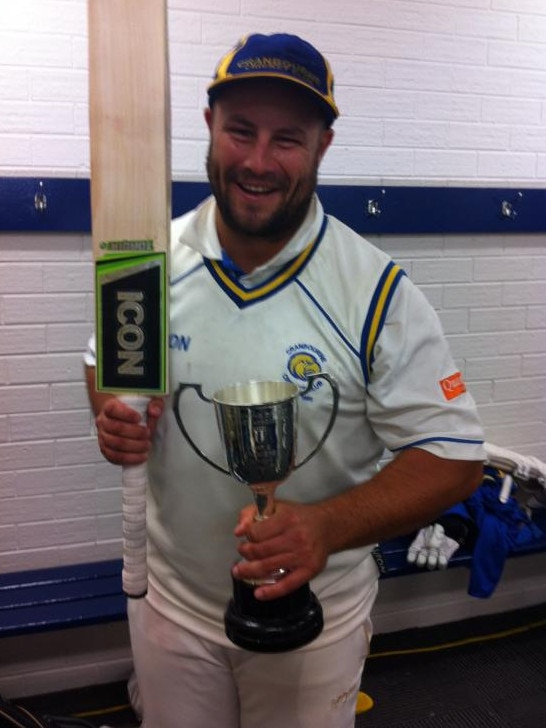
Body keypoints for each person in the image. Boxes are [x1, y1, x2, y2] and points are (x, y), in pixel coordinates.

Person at [85, 33, 485, 728]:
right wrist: (114, 413)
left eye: (287, 139)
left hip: (316, 619)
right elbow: (102, 363)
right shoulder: (142, 261)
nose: (258, 162)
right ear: (210, 127)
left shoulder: (375, 290)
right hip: (171, 608)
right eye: (241, 131)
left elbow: (454, 460)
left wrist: (325, 526)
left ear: (323, 146)